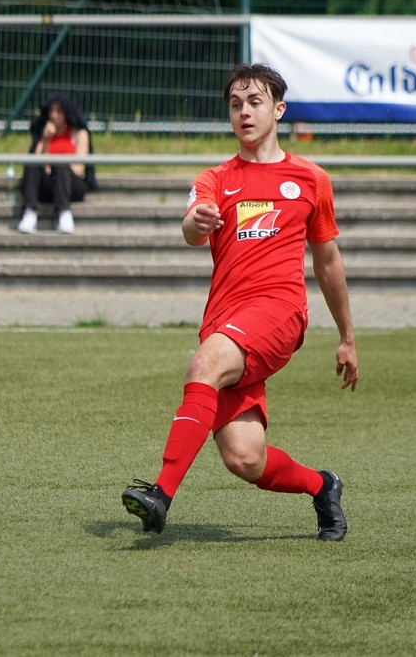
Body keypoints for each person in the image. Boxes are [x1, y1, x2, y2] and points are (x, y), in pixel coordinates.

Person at [121, 63, 359, 541]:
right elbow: (190, 229)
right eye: (235, 104)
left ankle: (160, 495)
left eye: (255, 102)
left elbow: (328, 261)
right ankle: (323, 486)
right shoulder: (214, 178)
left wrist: (347, 337)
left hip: (279, 313)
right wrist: (197, 222)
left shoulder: (311, 179)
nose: (244, 112)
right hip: (225, 320)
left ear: (278, 109)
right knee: (245, 457)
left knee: (205, 362)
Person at [17, 94, 97, 234]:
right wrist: (46, 140)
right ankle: (29, 212)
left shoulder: (79, 133)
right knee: (33, 163)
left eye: (59, 111)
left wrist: (56, 166)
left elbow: (78, 169)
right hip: (49, 184)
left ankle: (64, 212)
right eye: (51, 111)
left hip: (71, 185)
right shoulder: (44, 133)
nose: (54, 115)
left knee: (61, 163)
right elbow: (39, 163)